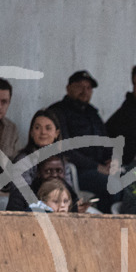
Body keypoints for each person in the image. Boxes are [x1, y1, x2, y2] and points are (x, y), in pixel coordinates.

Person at [47, 70, 112, 203]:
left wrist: (112, 160)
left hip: (100, 169)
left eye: (88, 88)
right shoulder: (57, 111)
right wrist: (96, 167)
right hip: (76, 171)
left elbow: (107, 143)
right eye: (80, 87)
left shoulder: (93, 113)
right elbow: (64, 148)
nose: (84, 91)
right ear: (68, 88)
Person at [6, 155, 79, 212]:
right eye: (48, 171)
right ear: (38, 173)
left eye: (59, 171)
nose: (54, 175)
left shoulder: (69, 192)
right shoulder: (21, 194)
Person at [13, 109, 63, 183]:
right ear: (31, 133)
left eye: (48, 128)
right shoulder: (22, 161)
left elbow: (69, 191)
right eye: (37, 128)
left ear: (56, 133)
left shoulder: (62, 161)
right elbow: (21, 192)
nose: (43, 132)